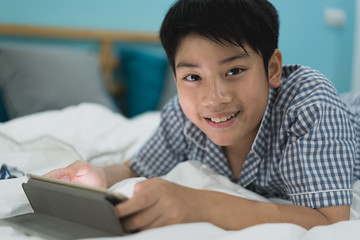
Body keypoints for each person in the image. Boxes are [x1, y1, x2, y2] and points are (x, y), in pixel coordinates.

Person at [46, 0, 360, 232]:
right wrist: (99, 177)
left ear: (272, 69)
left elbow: (330, 221)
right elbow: (134, 167)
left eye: (234, 70)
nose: (214, 98)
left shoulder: (309, 106)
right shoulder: (183, 117)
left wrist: (201, 205)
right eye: (193, 78)